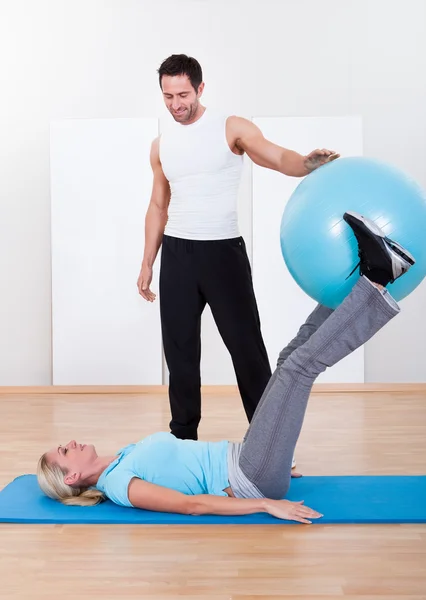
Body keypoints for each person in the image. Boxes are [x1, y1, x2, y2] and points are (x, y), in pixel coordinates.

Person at [38, 211, 415, 522]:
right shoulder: (120, 484)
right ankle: (377, 278)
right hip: (251, 476)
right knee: (298, 369)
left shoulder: (121, 457)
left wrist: (274, 452)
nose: (70, 442)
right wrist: (266, 502)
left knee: (286, 361)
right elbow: (192, 505)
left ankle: (361, 281)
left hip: (252, 458)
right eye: (65, 451)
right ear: (72, 476)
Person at [136, 53, 340, 442]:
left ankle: (269, 442)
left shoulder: (231, 128)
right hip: (178, 255)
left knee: (246, 349)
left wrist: (307, 163)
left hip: (222, 253)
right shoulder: (160, 145)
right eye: (167, 96)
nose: (176, 104)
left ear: (200, 88)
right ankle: (183, 441)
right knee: (179, 355)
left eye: (182, 94)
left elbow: (278, 157)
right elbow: (158, 205)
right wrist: (148, 262)